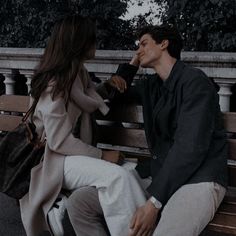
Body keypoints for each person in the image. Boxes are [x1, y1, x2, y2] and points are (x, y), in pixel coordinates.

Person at [66, 24, 228, 236]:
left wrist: (154, 203)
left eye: (143, 44)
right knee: (80, 203)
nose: (138, 50)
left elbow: (190, 148)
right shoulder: (152, 85)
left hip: (199, 179)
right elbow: (116, 95)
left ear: (163, 43)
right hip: (160, 174)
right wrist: (133, 64)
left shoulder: (194, 82)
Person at [19, 15, 147, 236]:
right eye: (92, 39)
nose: (96, 44)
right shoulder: (54, 82)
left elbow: (85, 101)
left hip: (70, 154)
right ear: (78, 43)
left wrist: (107, 86)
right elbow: (59, 141)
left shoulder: (78, 73)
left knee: (130, 173)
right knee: (118, 177)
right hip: (52, 159)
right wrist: (102, 155)